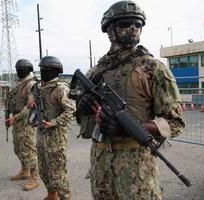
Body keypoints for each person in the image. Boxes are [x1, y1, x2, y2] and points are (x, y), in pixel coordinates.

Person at [75, 1, 186, 199]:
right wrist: (81, 108)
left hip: (137, 165)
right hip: (100, 162)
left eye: (138, 24)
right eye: (126, 23)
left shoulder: (152, 68)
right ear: (109, 29)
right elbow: (80, 119)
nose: (133, 29)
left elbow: (175, 123)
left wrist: (131, 126)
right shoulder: (95, 72)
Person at [34, 56, 75, 200]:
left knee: (58, 172)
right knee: (44, 168)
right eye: (41, 69)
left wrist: (54, 122)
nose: (42, 72)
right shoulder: (40, 88)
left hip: (56, 135)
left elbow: (71, 110)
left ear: (54, 71)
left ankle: (65, 197)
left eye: (45, 69)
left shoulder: (61, 88)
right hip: (42, 133)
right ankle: (51, 195)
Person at [5, 59, 39, 191]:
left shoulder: (31, 84)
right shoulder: (19, 84)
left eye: (21, 68)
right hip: (16, 119)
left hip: (25, 120)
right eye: (17, 68)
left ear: (27, 69)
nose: (18, 70)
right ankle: (25, 171)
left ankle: (34, 177)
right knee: (18, 148)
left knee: (29, 150)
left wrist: (16, 117)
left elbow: (29, 106)